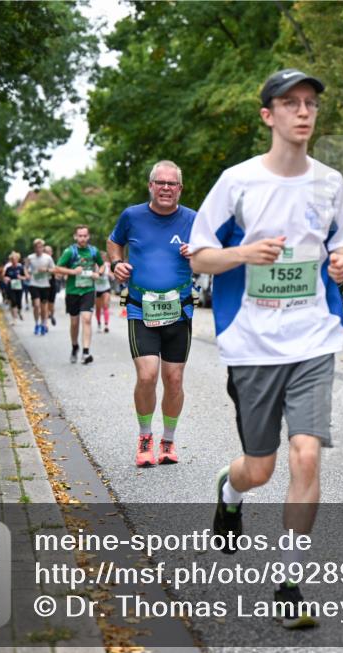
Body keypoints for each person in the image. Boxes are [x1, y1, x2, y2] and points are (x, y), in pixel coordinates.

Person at [189, 69, 343, 629]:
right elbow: (200, 257)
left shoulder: (331, 181)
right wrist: (244, 255)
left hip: (312, 338)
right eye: (290, 104)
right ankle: (229, 490)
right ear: (268, 115)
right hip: (252, 344)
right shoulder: (237, 182)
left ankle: (289, 582)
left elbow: (340, 243)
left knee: (305, 454)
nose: (303, 112)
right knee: (259, 470)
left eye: (310, 104)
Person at [108, 160, 196, 467]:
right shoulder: (132, 216)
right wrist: (115, 264)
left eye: (173, 184)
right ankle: (145, 436)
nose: (167, 189)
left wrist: (197, 252)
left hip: (180, 311)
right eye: (161, 183)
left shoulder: (193, 220)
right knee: (147, 375)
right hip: (139, 308)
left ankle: (168, 441)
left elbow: (211, 253)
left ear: (180, 189)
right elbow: (113, 242)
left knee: (173, 379)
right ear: (151, 185)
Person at [55, 226, 103, 364]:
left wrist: (98, 273)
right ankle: (75, 346)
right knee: (74, 322)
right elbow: (57, 268)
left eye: (85, 235)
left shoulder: (94, 251)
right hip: (72, 291)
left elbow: (102, 265)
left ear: (88, 237)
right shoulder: (70, 251)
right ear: (75, 237)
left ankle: (86, 352)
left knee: (87, 319)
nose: (82, 238)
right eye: (80, 236)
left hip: (88, 290)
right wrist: (73, 271)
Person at [25, 238, 55, 335]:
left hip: (45, 284)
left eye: (41, 247)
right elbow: (25, 267)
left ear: (43, 248)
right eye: (37, 247)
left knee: (43, 307)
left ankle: (43, 324)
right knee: (36, 305)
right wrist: (27, 275)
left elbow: (54, 269)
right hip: (34, 283)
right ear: (34, 248)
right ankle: (36, 324)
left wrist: (46, 270)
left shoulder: (48, 258)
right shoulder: (30, 257)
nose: (39, 249)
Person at [3, 252, 28, 323]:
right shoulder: (8, 268)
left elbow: (26, 277)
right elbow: (4, 276)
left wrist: (21, 277)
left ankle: (19, 311)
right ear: (11, 260)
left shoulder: (21, 268)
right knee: (13, 301)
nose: (14, 261)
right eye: (12, 259)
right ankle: (14, 319)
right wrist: (6, 278)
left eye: (15, 259)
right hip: (11, 287)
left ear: (18, 259)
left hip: (19, 287)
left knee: (18, 302)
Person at [94, 259, 112, 333]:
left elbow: (112, 274)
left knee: (105, 305)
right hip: (97, 289)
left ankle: (106, 325)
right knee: (98, 308)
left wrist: (110, 275)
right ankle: (99, 324)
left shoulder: (107, 265)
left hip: (106, 288)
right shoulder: (94, 266)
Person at [44, 244, 59, 327]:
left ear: (51, 253)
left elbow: (55, 270)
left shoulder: (52, 261)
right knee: (44, 303)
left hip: (52, 284)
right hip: (43, 285)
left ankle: (52, 315)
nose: (47, 253)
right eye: (45, 251)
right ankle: (46, 324)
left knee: (51, 304)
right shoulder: (41, 260)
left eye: (49, 252)